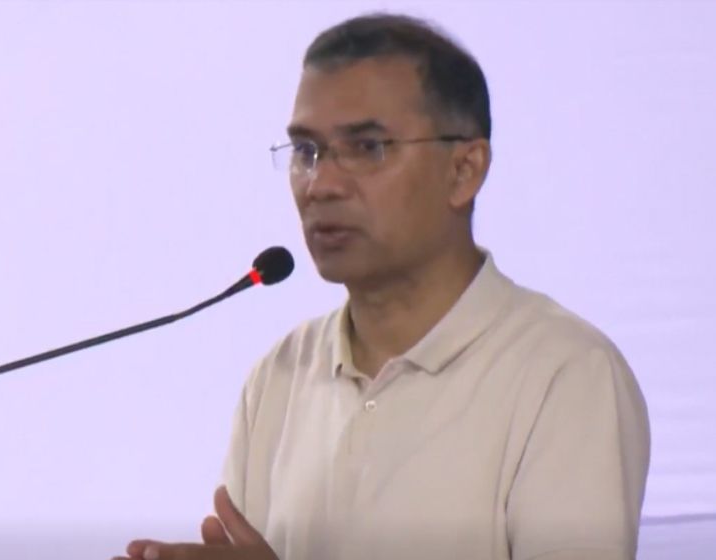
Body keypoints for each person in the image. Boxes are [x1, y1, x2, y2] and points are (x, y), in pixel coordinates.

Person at [117, 12, 650, 560]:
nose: (321, 185)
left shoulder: (565, 375)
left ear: (464, 170)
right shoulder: (280, 376)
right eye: (306, 151)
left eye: (368, 147)